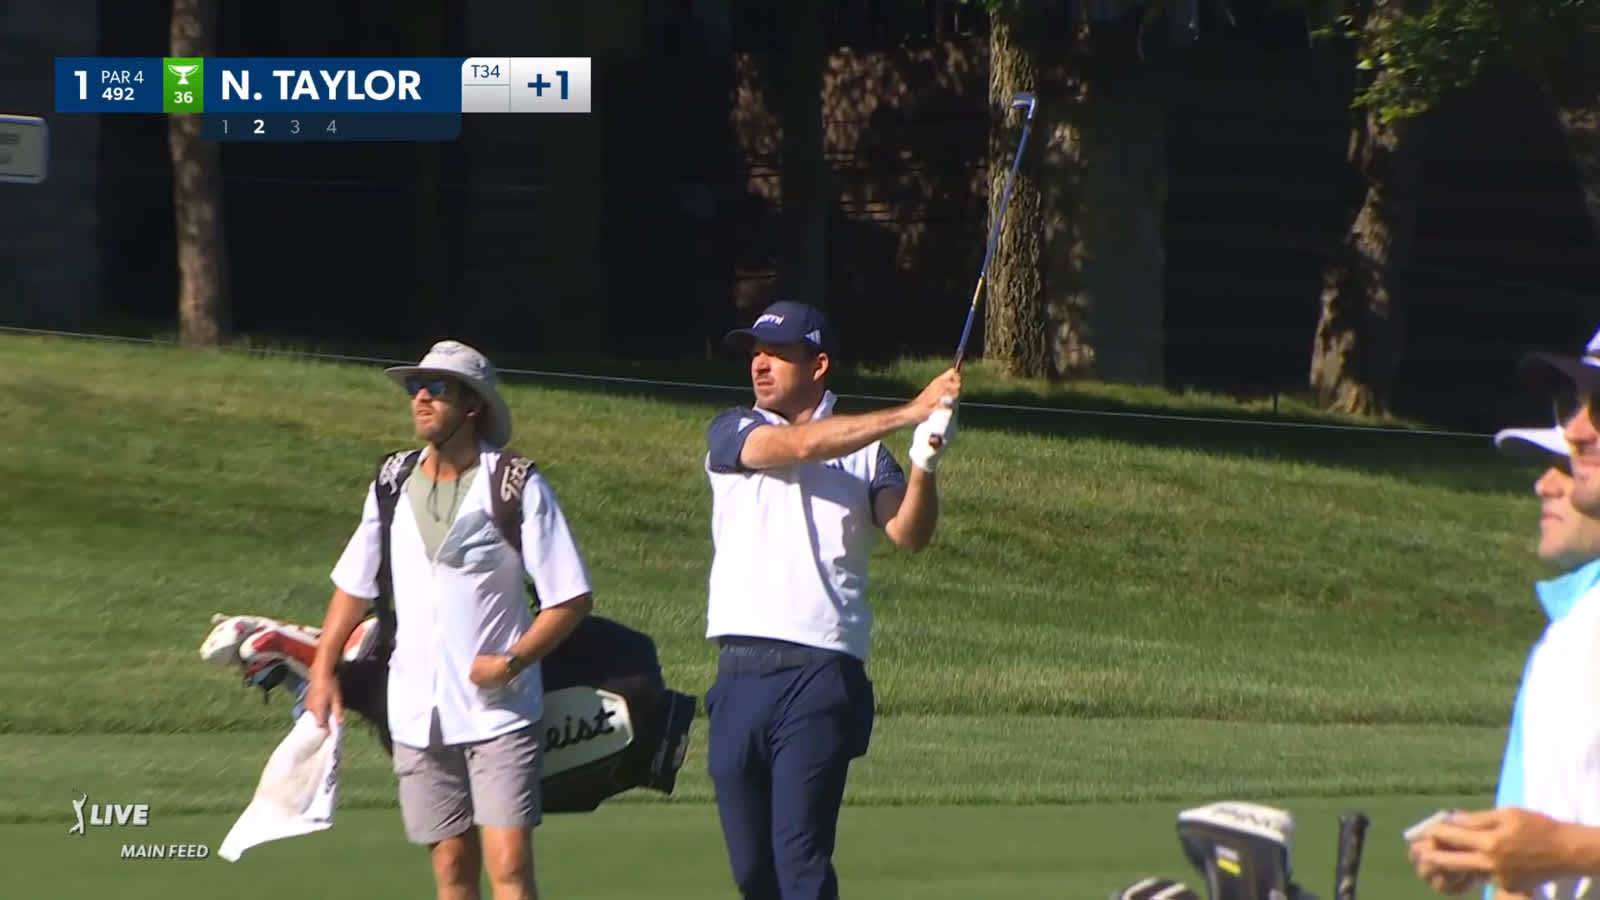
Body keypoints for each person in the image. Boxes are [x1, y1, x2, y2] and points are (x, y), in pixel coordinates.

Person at [303, 340, 595, 900]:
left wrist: (512, 661)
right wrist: (322, 670)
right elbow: (352, 586)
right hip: (415, 710)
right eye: (417, 387)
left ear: (472, 406)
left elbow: (570, 598)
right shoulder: (390, 481)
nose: (421, 398)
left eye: (437, 388)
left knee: (508, 866)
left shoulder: (515, 483)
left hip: (499, 713)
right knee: (451, 871)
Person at [700, 300, 962, 900]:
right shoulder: (733, 429)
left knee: (801, 858)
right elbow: (796, 450)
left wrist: (924, 462)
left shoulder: (869, 454)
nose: (760, 365)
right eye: (756, 354)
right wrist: (910, 410)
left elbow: (908, 533)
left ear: (818, 365)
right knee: (751, 872)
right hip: (739, 671)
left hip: (821, 672)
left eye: (777, 354)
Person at [1410, 330, 1600, 900]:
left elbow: (1564, 847)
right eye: (1574, 403)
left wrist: (1567, 851)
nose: (1575, 429)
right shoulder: (1574, 633)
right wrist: (1496, 854)